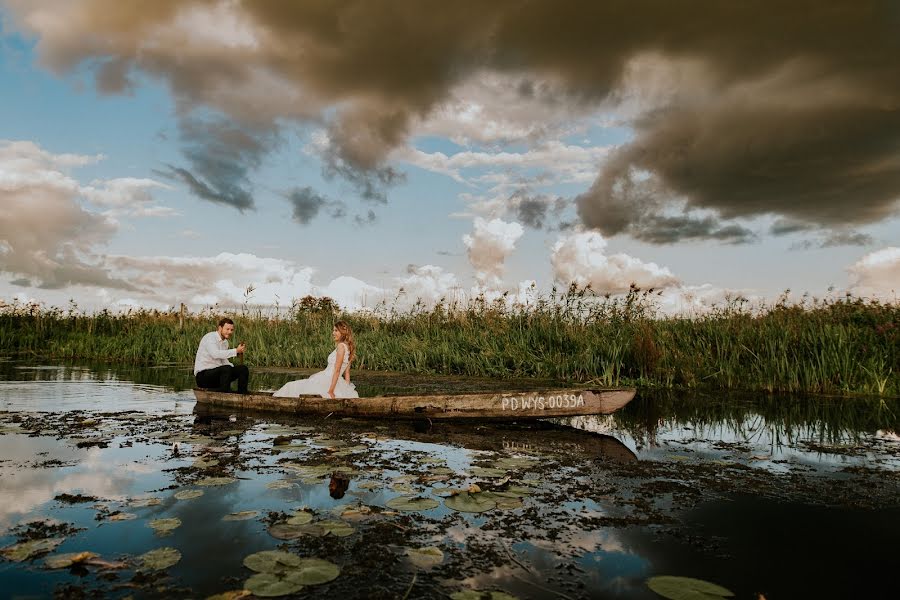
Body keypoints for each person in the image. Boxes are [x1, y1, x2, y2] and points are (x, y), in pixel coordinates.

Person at [273, 321, 358, 399]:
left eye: (336, 330)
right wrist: (346, 389)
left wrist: (331, 391)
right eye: (333, 330)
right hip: (334, 380)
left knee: (290, 386)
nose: (333, 333)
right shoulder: (349, 348)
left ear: (342, 332)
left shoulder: (341, 347)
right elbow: (347, 373)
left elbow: (337, 370)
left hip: (327, 380)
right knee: (297, 387)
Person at [194, 317, 249, 394]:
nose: (230, 332)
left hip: (217, 376)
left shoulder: (225, 342)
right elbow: (215, 354)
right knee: (226, 369)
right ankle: (224, 392)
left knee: (243, 369)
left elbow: (224, 361)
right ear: (220, 328)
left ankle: (242, 394)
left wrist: (235, 370)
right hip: (203, 377)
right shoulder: (210, 337)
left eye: (231, 330)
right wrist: (236, 351)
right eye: (227, 329)